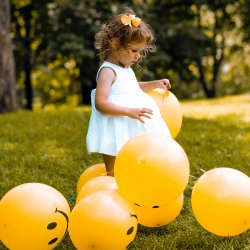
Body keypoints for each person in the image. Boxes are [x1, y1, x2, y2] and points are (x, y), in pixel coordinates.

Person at [86, 9, 172, 176]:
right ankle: (111, 184)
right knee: (114, 169)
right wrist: (128, 111)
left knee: (134, 162)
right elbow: (100, 103)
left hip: (130, 122)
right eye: (134, 51)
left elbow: (131, 88)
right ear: (115, 44)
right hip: (115, 124)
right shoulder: (108, 71)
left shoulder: (124, 68)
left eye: (140, 51)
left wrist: (154, 84)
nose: (138, 56)